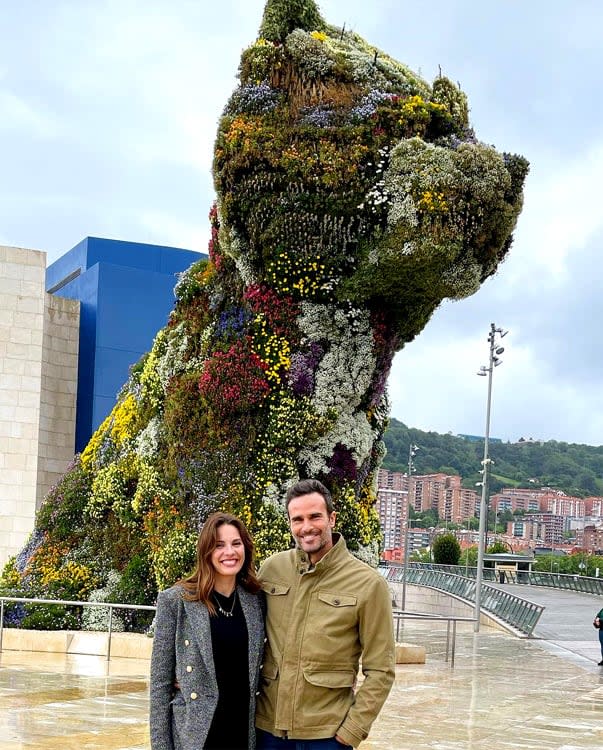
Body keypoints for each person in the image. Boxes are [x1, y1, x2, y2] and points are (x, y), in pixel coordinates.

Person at [256, 479, 395, 749]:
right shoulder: (272, 569)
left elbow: (381, 669)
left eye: (315, 516)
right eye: (297, 519)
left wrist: (352, 731)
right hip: (266, 730)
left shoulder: (368, 584)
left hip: (326, 736)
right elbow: (238, 627)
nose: (306, 527)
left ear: (332, 518)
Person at [150, 512, 265, 750]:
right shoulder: (176, 601)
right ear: (206, 552)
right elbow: (160, 683)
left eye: (236, 543)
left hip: (242, 733)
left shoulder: (256, 600)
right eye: (219, 545)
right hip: (196, 736)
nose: (229, 553)